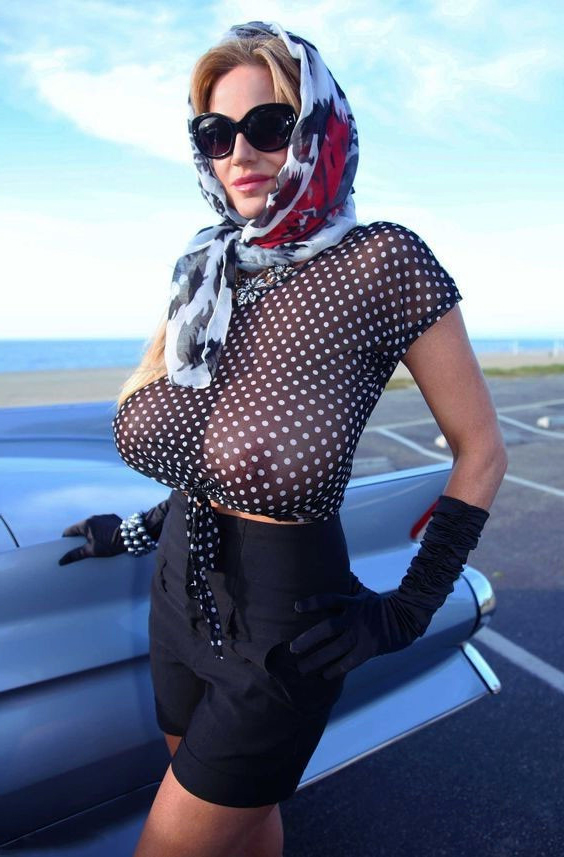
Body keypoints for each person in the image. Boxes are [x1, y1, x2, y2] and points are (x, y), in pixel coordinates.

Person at [59, 20, 507, 857]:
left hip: (283, 631)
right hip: (175, 600)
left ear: (318, 130)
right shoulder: (207, 269)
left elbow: (482, 449)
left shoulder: (382, 262)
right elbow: (210, 449)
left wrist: (408, 611)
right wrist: (135, 530)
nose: (240, 153)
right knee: (244, 821)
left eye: (268, 126)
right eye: (215, 133)